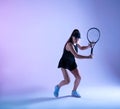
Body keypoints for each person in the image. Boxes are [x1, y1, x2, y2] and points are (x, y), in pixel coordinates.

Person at [54, 29, 93, 98]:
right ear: (72, 37)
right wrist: (88, 57)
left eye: (78, 38)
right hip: (64, 63)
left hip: (71, 63)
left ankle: (74, 91)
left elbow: (81, 47)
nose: (77, 39)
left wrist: (88, 46)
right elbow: (76, 55)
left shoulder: (76, 43)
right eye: (75, 38)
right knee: (67, 81)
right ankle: (57, 87)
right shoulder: (69, 44)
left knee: (78, 78)